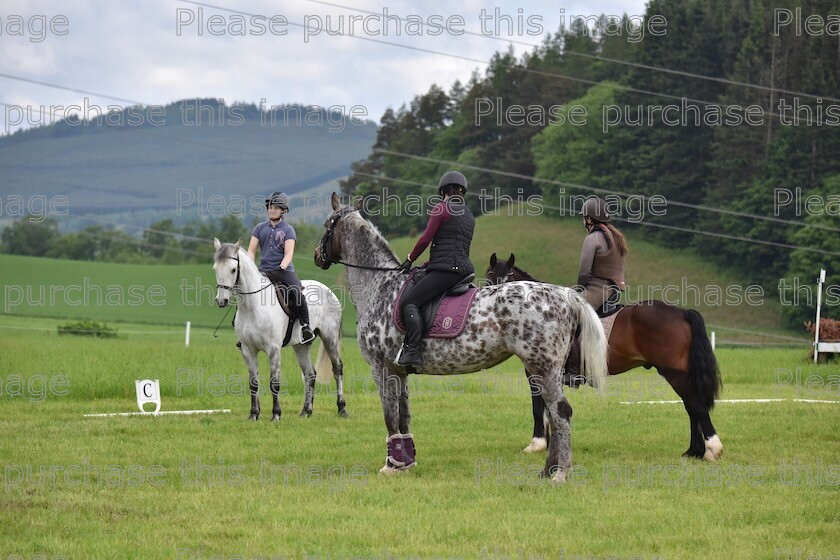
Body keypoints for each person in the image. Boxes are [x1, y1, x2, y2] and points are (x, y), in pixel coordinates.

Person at [395, 171, 476, 369]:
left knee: (409, 301)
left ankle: (413, 350)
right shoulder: (469, 216)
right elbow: (453, 246)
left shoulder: (441, 208)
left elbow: (426, 238)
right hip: (463, 270)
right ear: (462, 192)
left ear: (442, 191)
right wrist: (428, 265)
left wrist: (409, 259)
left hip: (447, 271)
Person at [248, 192, 315, 344]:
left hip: (283, 271)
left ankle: (306, 326)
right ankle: (244, 331)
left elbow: (289, 253)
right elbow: (251, 250)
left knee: (296, 291)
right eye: (270, 207)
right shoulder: (259, 228)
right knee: (246, 292)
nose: (272, 210)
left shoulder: (288, 230)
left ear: (283, 211)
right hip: (263, 271)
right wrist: (251, 265)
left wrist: (282, 265)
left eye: (276, 208)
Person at [577, 195, 628, 311]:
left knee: (571, 307)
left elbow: (583, 273)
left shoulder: (593, 237)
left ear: (589, 219)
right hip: (613, 290)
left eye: (584, 217)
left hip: (597, 291)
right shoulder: (615, 235)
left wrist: (579, 290)